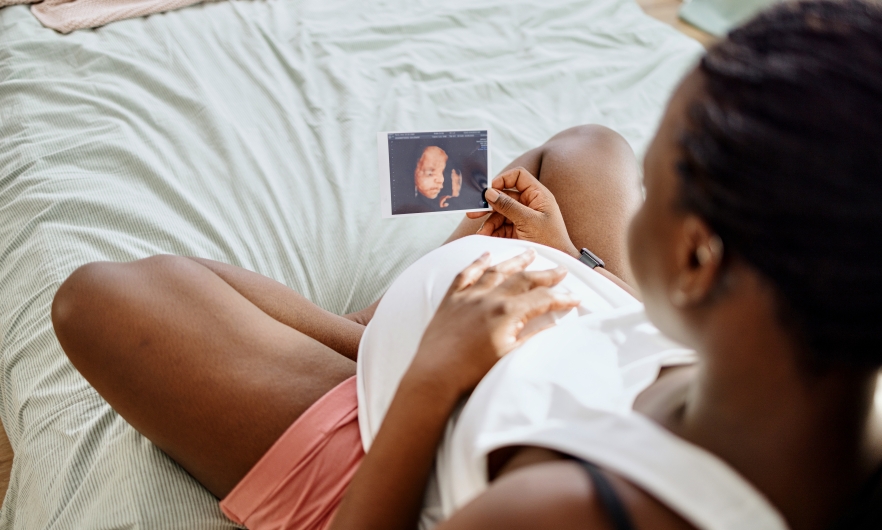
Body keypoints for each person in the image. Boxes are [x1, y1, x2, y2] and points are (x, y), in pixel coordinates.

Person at [50, 1, 882, 529]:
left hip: (413, 435)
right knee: (587, 149)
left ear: (698, 258)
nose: (646, 190)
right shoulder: (827, 367)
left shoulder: (553, 513)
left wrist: (432, 378)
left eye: (664, 178)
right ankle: (371, 337)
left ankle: (358, 348)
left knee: (100, 298)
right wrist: (581, 265)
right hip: (578, 338)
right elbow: (670, 366)